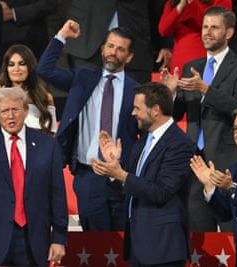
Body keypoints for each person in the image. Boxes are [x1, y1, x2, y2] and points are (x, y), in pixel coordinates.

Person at [37, 20, 139, 231]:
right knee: (94, 245)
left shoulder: (137, 90)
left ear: (129, 57)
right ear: (102, 49)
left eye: (120, 49)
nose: (113, 52)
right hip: (88, 175)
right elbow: (44, 70)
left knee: (124, 246)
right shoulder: (82, 78)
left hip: (122, 176)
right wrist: (61, 36)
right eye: (110, 46)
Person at [0, 87, 68, 266]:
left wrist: (59, 238)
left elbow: (57, 193)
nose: (10, 116)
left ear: (25, 111)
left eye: (15, 110)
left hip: (33, 240)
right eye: (4, 111)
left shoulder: (47, 145)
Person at [91, 82, 194, 267]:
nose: (133, 113)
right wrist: (115, 169)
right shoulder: (143, 141)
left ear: (155, 110)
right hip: (138, 246)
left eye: (137, 108)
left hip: (163, 249)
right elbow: (134, 185)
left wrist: (122, 175)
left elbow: (161, 192)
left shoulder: (180, 144)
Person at [161, 6, 237, 231]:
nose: (207, 32)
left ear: (228, 33)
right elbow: (177, 114)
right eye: (205, 26)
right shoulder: (192, 67)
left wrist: (205, 89)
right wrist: (172, 93)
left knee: (230, 235)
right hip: (195, 164)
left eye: (214, 27)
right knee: (199, 237)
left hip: (228, 163)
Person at [62, 0, 172, 83]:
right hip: (87, 40)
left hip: (136, 46)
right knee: (83, 105)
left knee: (135, 107)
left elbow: (159, 6)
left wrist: (165, 43)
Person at [190, 106, 237, 267]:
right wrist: (210, 187)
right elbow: (225, 214)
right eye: (236, 128)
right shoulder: (235, 169)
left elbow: (235, 192)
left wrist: (232, 188)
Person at [0, 44, 57, 134]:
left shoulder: (45, 97)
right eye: (11, 65)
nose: (16, 69)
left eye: (22, 64)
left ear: (30, 67)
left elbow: (52, 133)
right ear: (6, 69)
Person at [159, 0, 232, 76]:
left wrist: (193, 3)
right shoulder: (174, 2)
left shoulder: (220, 1)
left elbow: (214, 28)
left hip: (204, 62)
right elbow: (163, 30)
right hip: (178, 65)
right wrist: (181, 5)